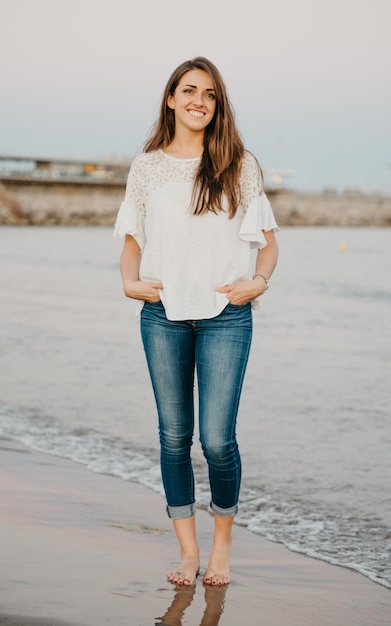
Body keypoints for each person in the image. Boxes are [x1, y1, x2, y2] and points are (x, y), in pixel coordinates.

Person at [113, 56, 279, 587]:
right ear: (170, 99)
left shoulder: (239, 163)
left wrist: (259, 281)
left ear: (218, 104)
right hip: (162, 315)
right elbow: (132, 242)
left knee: (216, 440)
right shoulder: (147, 167)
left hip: (226, 316)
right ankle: (188, 553)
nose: (198, 102)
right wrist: (129, 281)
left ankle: (222, 547)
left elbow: (268, 245)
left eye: (209, 94)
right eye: (189, 91)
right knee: (172, 436)